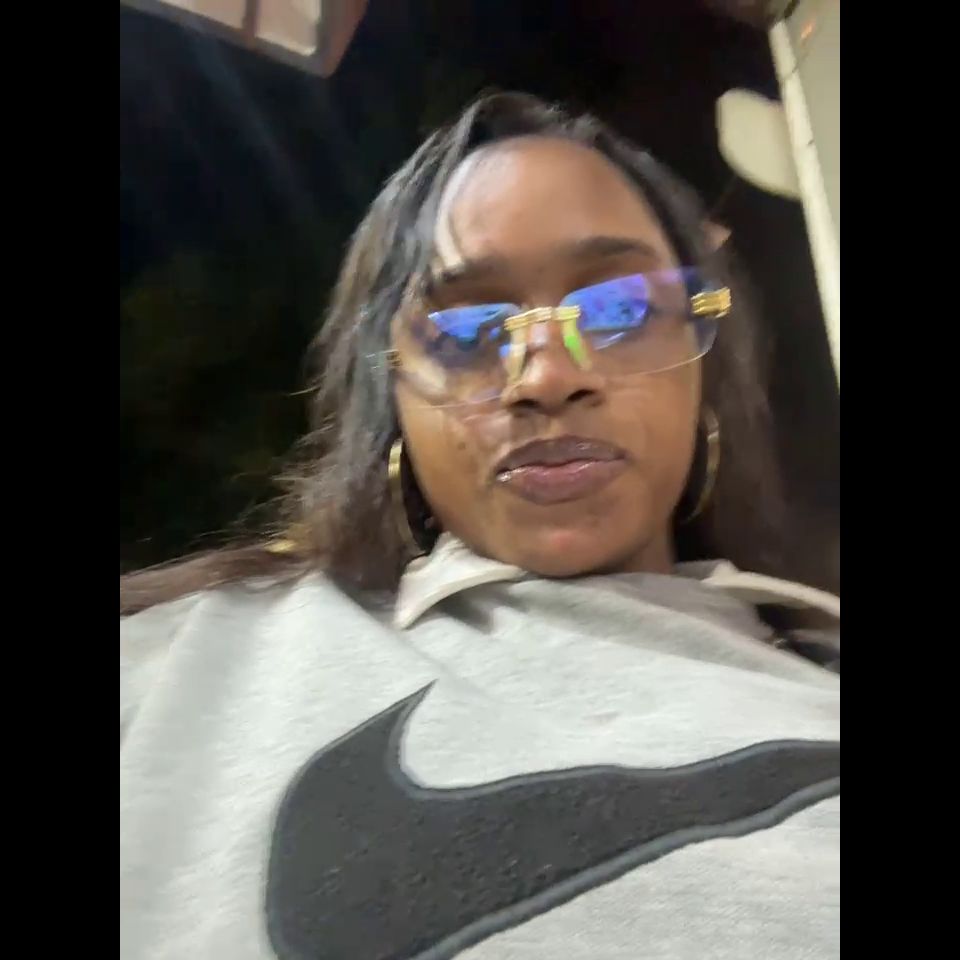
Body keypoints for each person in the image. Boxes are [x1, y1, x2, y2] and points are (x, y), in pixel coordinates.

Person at [120, 92, 839, 960]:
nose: (546, 377)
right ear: (389, 400)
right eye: (467, 331)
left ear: (703, 366)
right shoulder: (187, 666)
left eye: (617, 311)